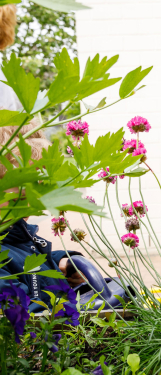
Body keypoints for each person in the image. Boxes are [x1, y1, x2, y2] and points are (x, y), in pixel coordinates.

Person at [0, 122, 86, 311]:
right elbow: (24, 319)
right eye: (21, 198)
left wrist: (63, 261)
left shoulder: (20, 235)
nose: (32, 207)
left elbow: (27, 256)